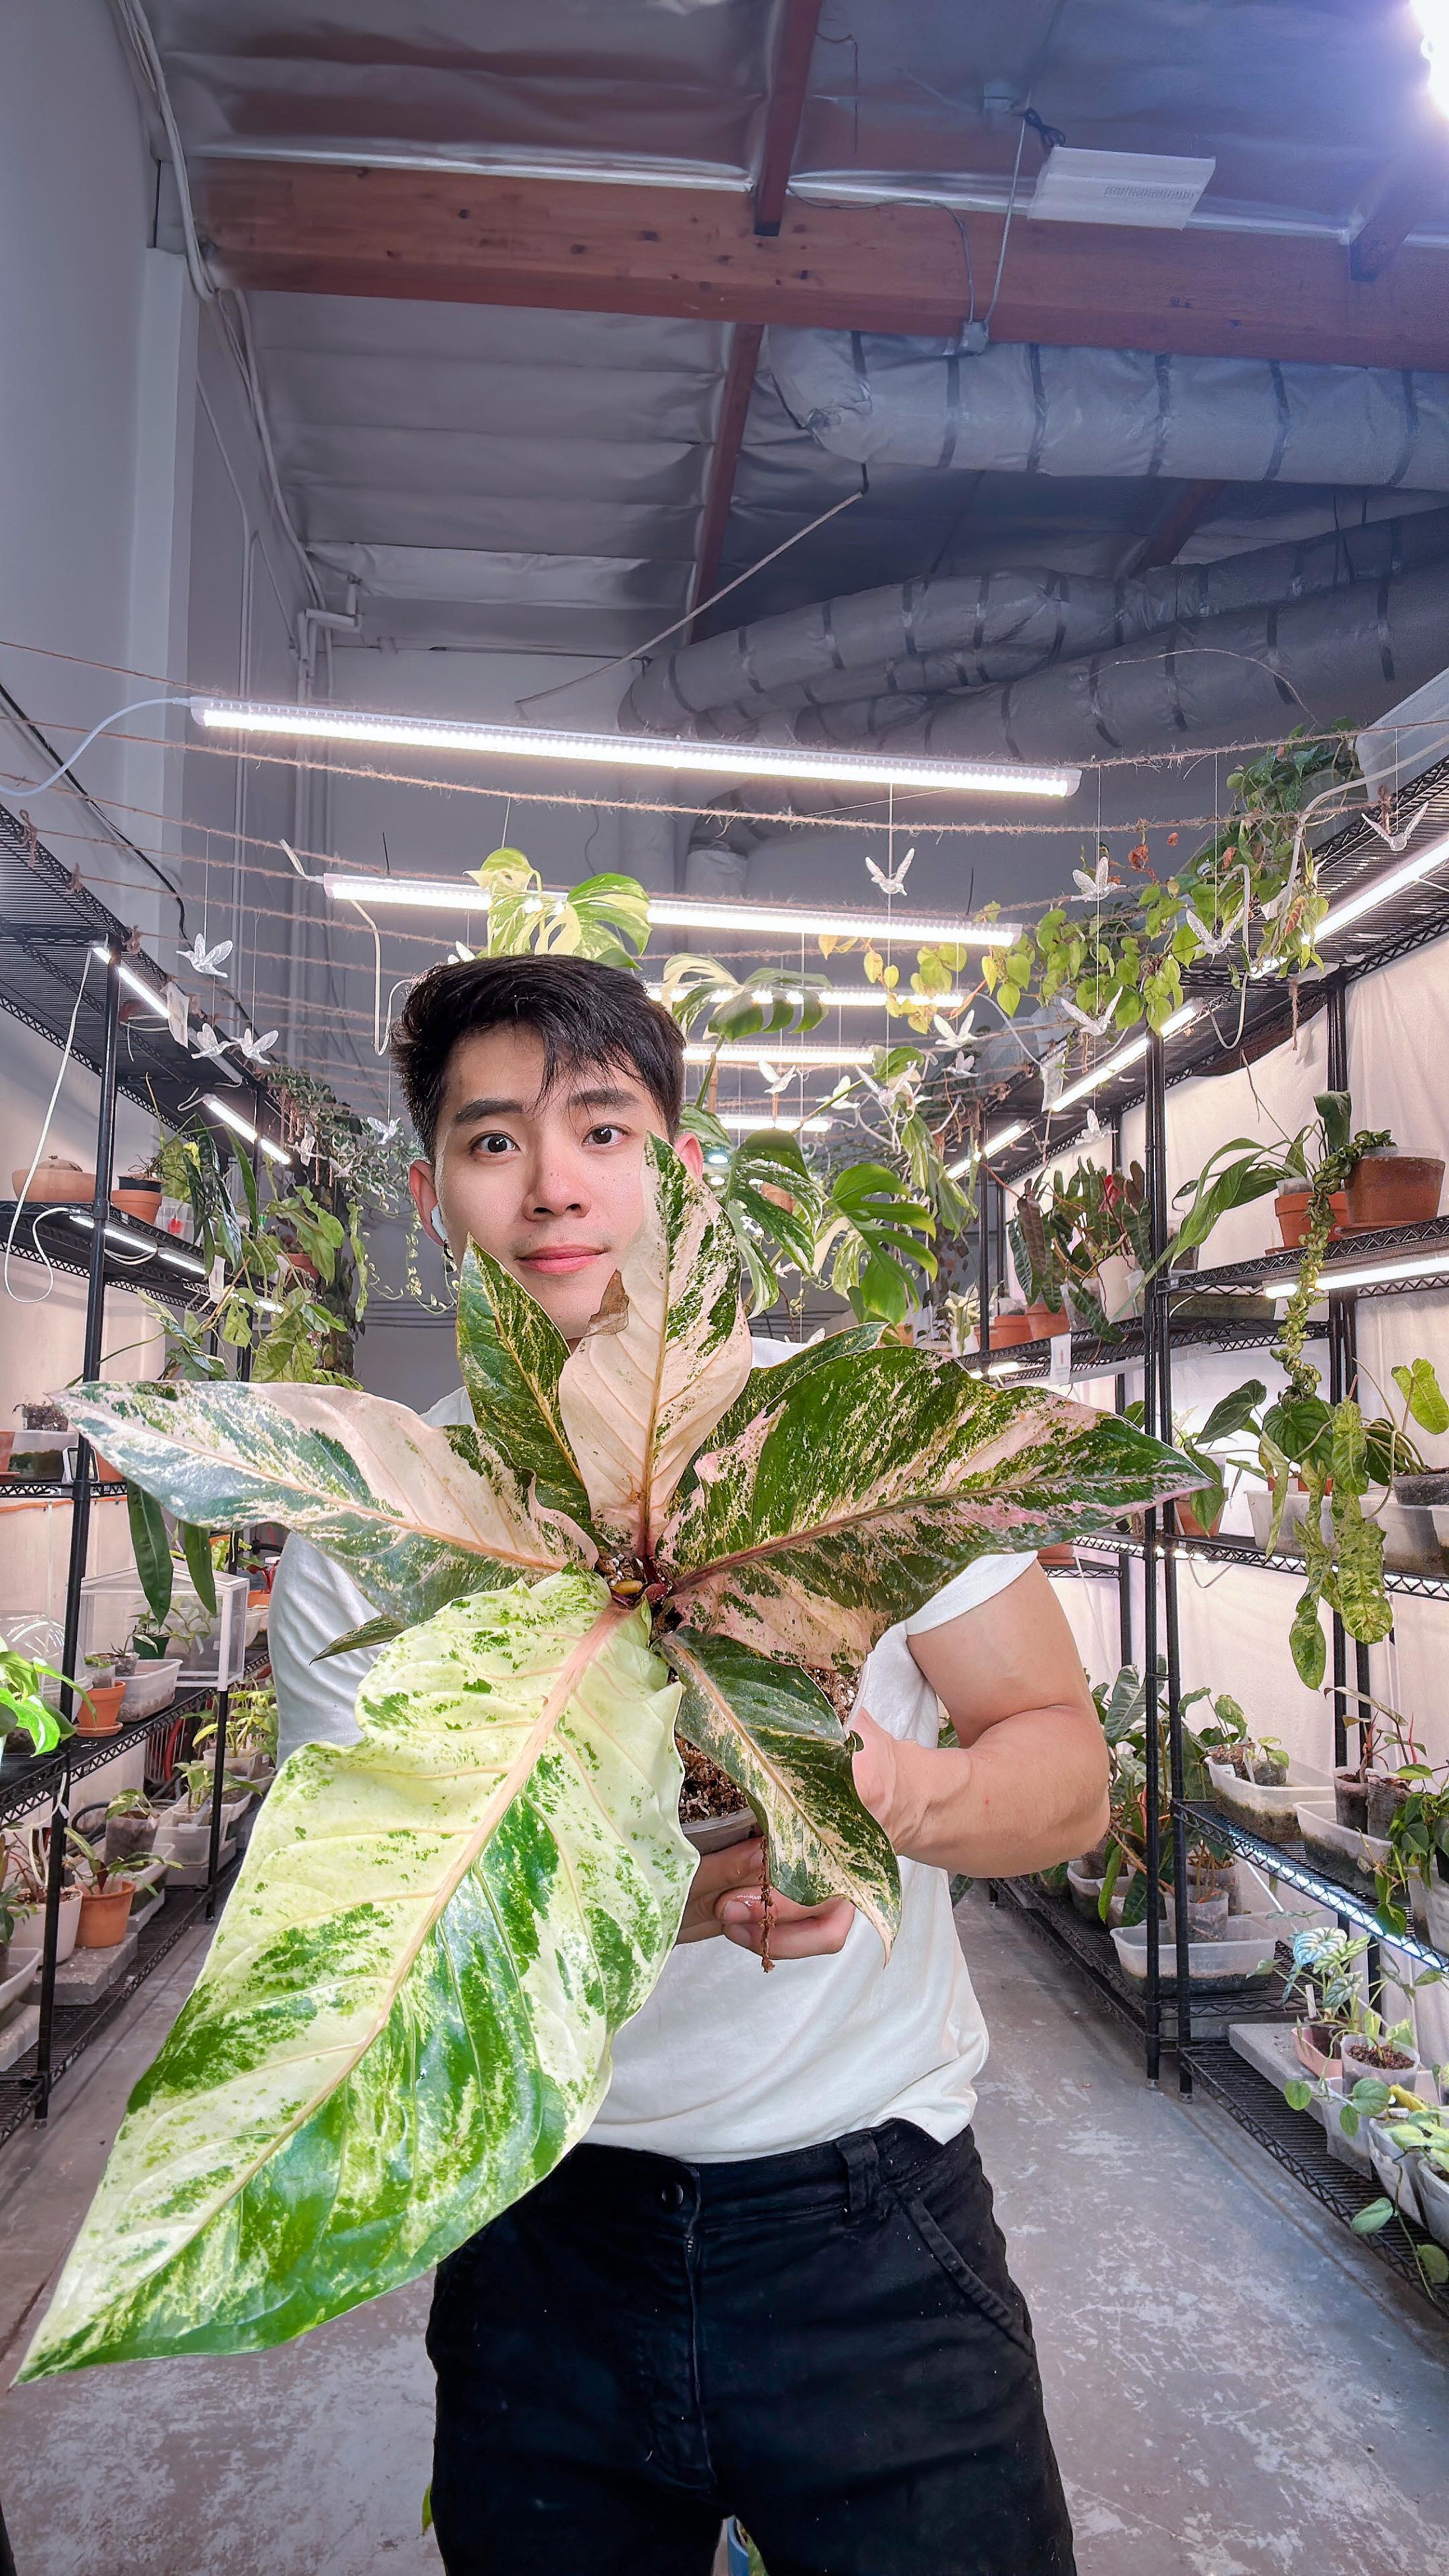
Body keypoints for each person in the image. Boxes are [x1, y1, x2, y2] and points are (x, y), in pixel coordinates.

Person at [268, 955, 1104, 2576]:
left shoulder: (853, 1441)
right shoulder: (381, 1520)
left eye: (604, 1128)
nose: (555, 1183)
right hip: (544, 2233)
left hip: (874, 2222)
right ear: (437, 1194)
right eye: (494, 1141)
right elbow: (373, 1922)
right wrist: (688, 1894)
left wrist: (889, 1804)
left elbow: (1062, 1768)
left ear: (685, 1170)